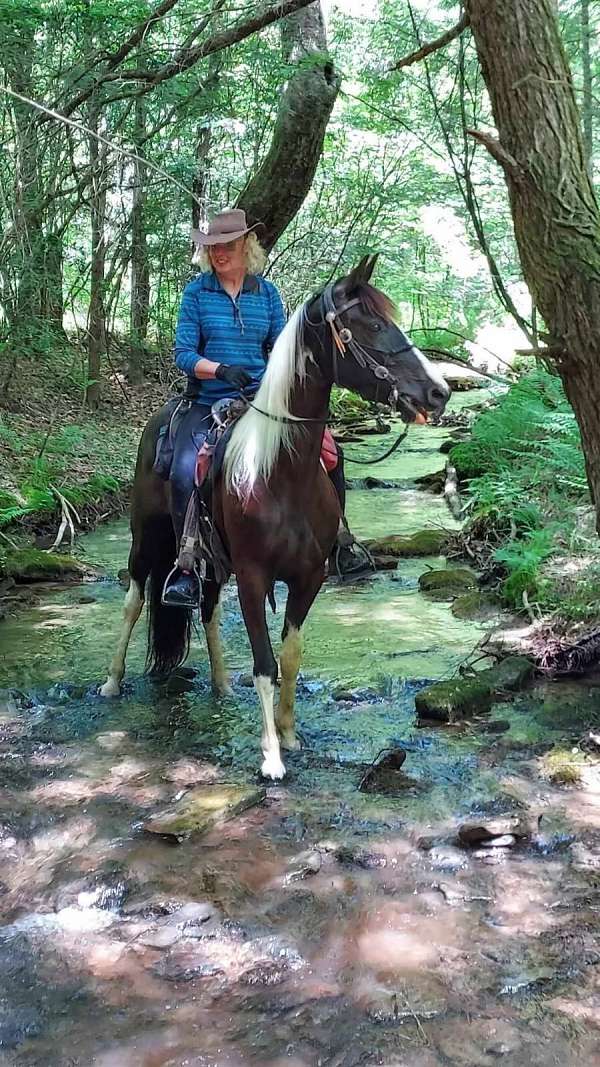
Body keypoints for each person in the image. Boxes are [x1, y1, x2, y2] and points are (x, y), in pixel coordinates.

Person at [163, 208, 368, 607]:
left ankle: (340, 540)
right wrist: (220, 369)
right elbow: (184, 354)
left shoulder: (268, 293)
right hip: (210, 402)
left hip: (264, 402)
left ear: (247, 247)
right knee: (185, 469)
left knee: (330, 452)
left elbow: (282, 348)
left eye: (228, 245)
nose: (220, 253)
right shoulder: (197, 293)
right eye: (213, 247)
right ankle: (187, 563)